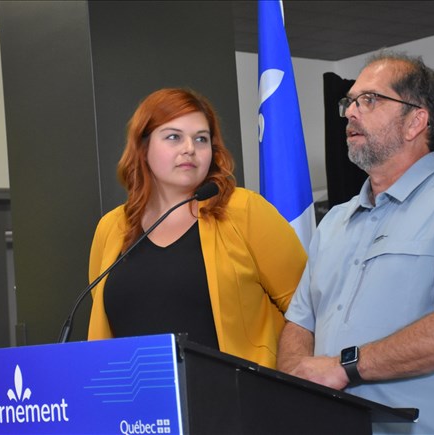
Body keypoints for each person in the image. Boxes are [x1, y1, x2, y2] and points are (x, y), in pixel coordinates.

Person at [277, 50, 434, 434]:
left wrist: (344, 367)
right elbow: (299, 324)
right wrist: (293, 381)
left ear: (416, 121)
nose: (351, 113)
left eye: (369, 100)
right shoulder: (335, 221)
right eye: (349, 102)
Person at [87, 88, 307, 369]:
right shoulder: (111, 227)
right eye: (173, 137)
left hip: (237, 402)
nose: (189, 148)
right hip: (137, 407)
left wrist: (292, 372)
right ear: (143, 148)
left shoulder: (244, 210)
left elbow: (306, 308)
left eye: (201, 139)